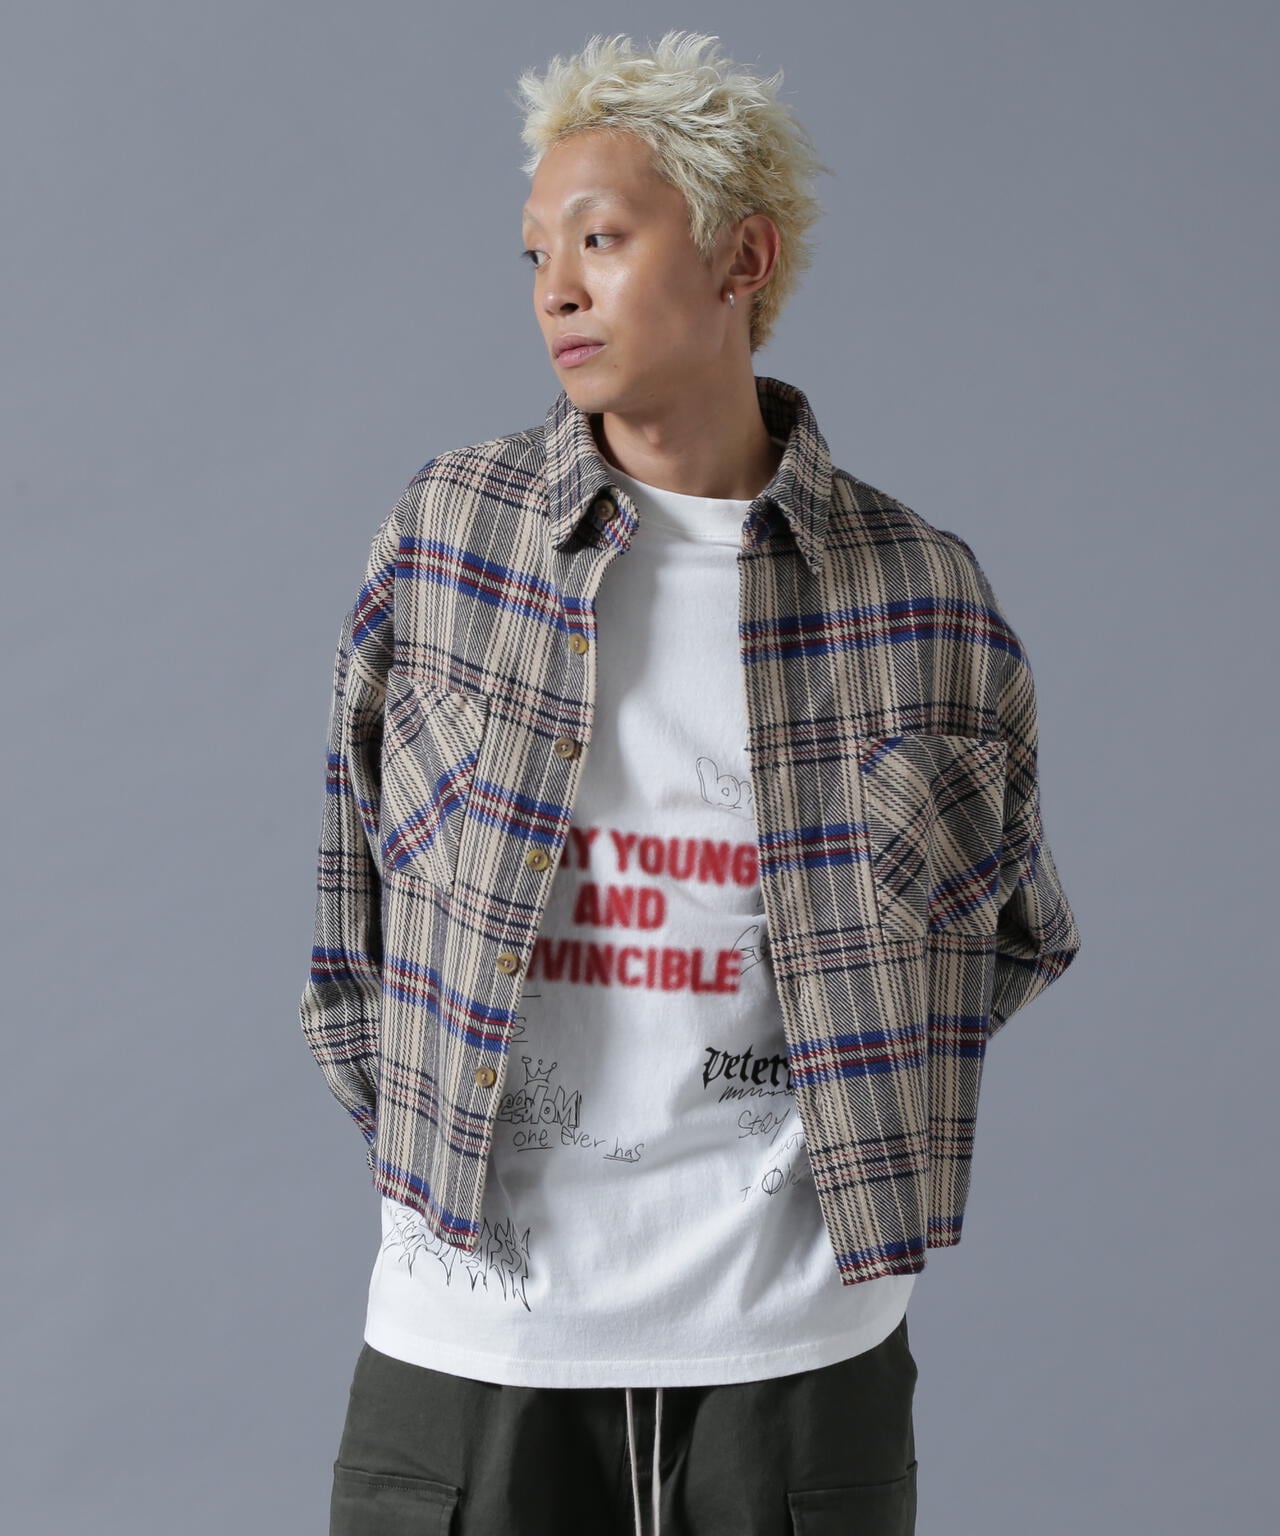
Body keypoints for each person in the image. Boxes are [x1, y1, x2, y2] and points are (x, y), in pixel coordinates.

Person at [301, 29, 1082, 1536]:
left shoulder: (919, 592)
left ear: (743, 259)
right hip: (476, 1338)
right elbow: (351, 906)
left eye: (601, 238)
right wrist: (428, 1145)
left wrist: (842, 1113)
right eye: (536, 251)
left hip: (795, 1354)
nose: (556, 287)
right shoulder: (452, 538)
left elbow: (1012, 932)